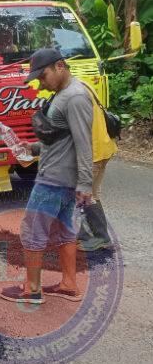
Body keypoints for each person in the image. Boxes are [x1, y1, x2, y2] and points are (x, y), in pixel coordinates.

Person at [0, 48, 93, 304]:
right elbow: (63, 139)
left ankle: (31, 290)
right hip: (61, 179)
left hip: (54, 179)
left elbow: (84, 143)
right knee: (65, 232)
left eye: (43, 76)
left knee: (32, 231)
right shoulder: (63, 95)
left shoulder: (74, 97)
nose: (41, 82)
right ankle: (69, 285)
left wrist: (86, 183)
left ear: (60, 66)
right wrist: (33, 147)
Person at [77, 84, 118, 252]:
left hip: (92, 153)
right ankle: (101, 237)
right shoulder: (84, 85)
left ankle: (91, 238)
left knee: (78, 195)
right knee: (91, 194)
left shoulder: (73, 95)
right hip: (103, 148)